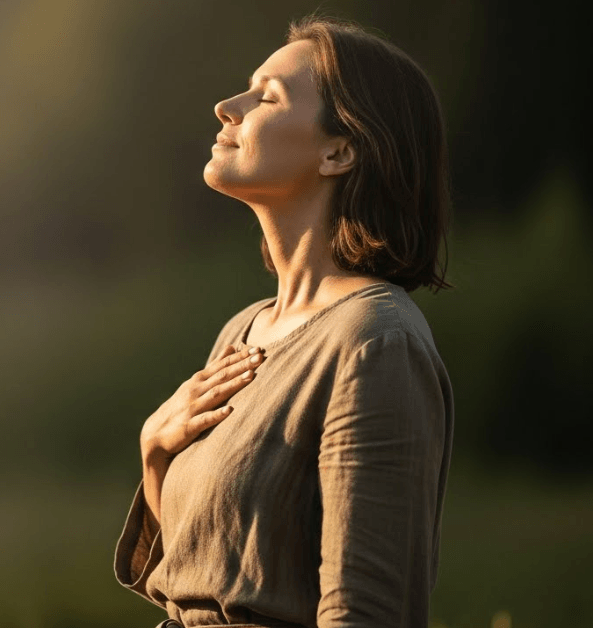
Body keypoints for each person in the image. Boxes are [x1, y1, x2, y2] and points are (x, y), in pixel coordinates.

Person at [114, 13, 455, 628]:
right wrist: (155, 458)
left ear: (339, 150)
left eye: (266, 96)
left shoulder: (375, 342)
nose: (226, 106)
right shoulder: (244, 329)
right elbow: (199, 581)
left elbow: (366, 613)